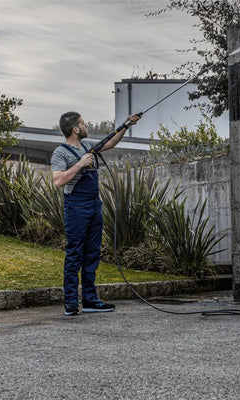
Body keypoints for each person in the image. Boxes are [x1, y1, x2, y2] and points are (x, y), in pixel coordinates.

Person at [51, 111, 141, 316]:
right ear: (75, 128)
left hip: (94, 204)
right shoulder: (60, 152)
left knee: (92, 253)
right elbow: (58, 181)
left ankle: (91, 300)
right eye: (82, 123)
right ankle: (71, 303)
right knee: (75, 253)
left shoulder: (86, 146)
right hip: (76, 206)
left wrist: (126, 125)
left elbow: (110, 143)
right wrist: (80, 164)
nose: (86, 125)